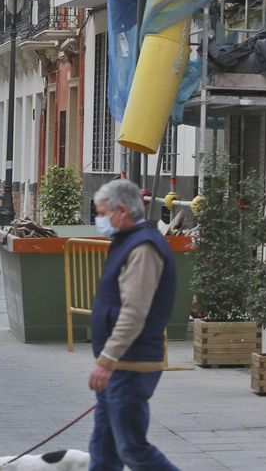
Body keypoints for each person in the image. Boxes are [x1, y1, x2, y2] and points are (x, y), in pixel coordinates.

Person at [85, 179, 179, 471]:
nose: (99, 220)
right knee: (103, 449)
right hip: (120, 364)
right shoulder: (128, 241)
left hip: (130, 364)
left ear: (121, 211)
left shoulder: (144, 248)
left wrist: (108, 358)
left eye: (101, 213)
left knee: (132, 449)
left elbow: (134, 311)